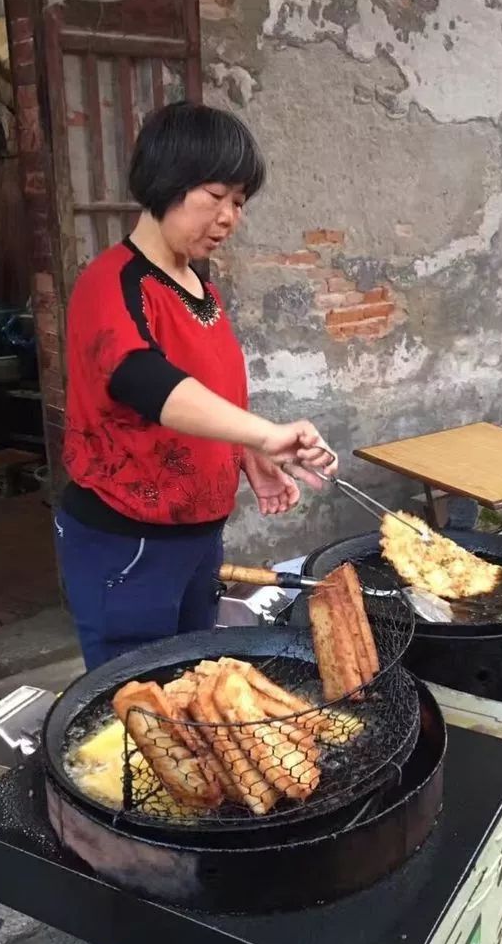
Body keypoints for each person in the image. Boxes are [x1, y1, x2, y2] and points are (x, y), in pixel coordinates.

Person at [55, 102, 336, 671]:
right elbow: (143, 380)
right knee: (137, 698)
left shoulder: (199, 288)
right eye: (216, 195)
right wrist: (267, 433)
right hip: (128, 544)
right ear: (167, 181)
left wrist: (249, 454)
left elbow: (210, 395)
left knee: (192, 683)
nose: (230, 217)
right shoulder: (112, 282)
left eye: (240, 202)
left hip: (198, 540)